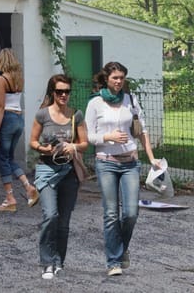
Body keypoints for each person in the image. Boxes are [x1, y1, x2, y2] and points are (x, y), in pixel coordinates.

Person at [85, 61, 162, 277]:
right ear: (106, 79)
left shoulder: (130, 99)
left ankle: (121, 248)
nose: (119, 82)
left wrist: (152, 157)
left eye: (121, 78)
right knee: (111, 214)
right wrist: (107, 137)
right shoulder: (95, 103)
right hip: (106, 162)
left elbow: (142, 130)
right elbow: (88, 136)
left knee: (131, 213)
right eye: (115, 78)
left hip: (130, 162)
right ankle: (113, 262)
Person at [29, 74, 88, 279]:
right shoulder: (42, 115)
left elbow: (84, 143)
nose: (63, 95)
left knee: (63, 222)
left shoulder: (76, 116)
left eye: (67, 91)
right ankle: (46, 262)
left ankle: (58, 261)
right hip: (46, 170)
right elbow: (33, 142)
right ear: (52, 93)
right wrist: (45, 149)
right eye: (59, 91)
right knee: (50, 215)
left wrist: (72, 146)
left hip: (69, 172)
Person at [0, 48, 39, 212]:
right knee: (10, 158)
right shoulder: (19, 79)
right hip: (19, 120)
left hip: (8, 119)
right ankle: (28, 188)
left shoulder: (1, 79)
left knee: (2, 159)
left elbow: (1, 105)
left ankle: (10, 198)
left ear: (1, 61)